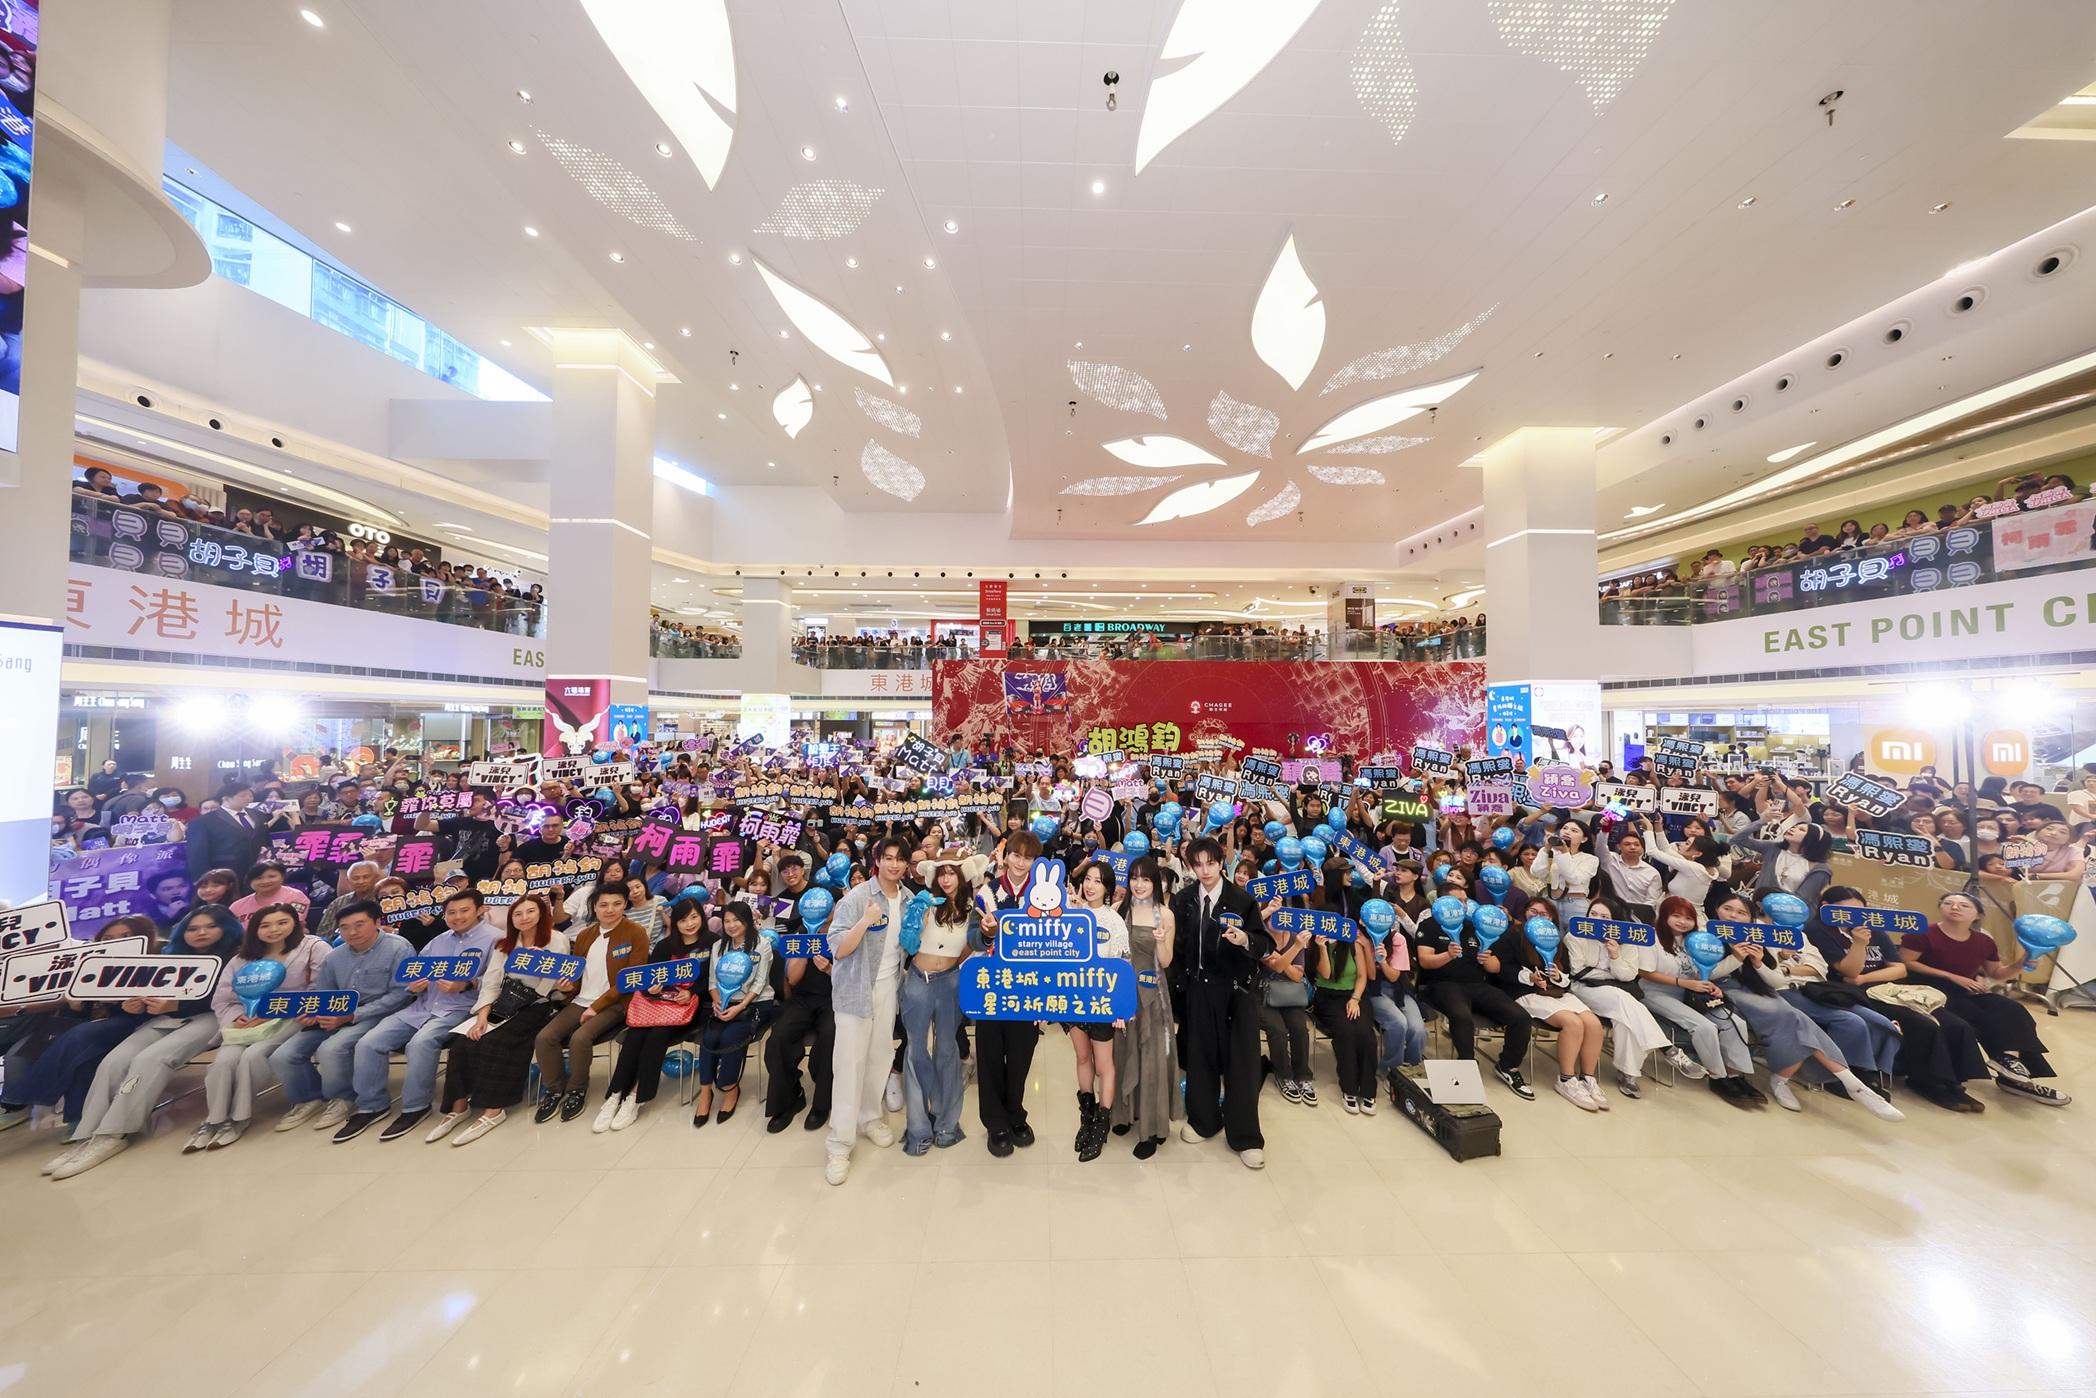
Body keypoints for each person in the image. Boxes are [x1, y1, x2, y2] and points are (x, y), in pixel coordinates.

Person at [37, 909, 244, 1179]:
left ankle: (113, 1133)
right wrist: (135, 1005)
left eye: (210, 926)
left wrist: (177, 1004)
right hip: (165, 1018)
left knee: (151, 1060)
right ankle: (87, 1135)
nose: (201, 933)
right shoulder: (169, 956)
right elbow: (148, 996)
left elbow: (232, 997)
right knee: (114, 1061)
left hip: (212, 1017)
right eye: (193, 928)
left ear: (226, 928)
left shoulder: (238, 957)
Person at [1703, 892, 1902, 1120]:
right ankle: (1847, 1084)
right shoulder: (1706, 934)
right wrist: (1736, 958)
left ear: (1750, 918)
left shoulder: (1759, 937)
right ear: (1717, 909)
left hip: (1762, 991)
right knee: (1793, 1017)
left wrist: (1758, 962)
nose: (1733, 916)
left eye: (1741, 912)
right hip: (1726, 990)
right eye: (1728, 909)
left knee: (1798, 1021)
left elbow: (1776, 980)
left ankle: (1848, 1085)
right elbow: (1707, 973)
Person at [335, 887, 501, 1143]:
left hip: (459, 1008)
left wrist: (468, 984)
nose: (457, 917)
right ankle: (372, 1106)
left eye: (464, 910)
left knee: (420, 1043)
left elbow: (498, 981)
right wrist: (413, 986)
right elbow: (413, 973)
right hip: (421, 1006)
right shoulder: (438, 940)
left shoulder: (495, 938)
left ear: (480, 910)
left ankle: (416, 1106)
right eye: (451, 912)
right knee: (368, 1042)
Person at [1809, 888, 1986, 1113]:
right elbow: (1849, 971)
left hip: (1889, 989)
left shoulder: (1872, 927)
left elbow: (1899, 969)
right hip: (1854, 993)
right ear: (1826, 907)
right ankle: (1928, 1081)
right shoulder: (1818, 930)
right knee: (1922, 1025)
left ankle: (1954, 1083)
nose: (1855, 916)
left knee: (1955, 1024)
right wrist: (1859, 945)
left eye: (1860, 911)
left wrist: (1865, 977)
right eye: (1848, 910)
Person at [1899, 891, 2069, 1106]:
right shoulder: (1922, 933)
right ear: (1941, 908)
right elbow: (1906, 962)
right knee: (1964, 1019)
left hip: (1963, 991)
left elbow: (1997, 973)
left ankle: (2010, 1064)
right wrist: (1952, 976)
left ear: (1977, 915)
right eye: (1948, 903)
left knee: (2010, 1009)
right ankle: (1945, 1081)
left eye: (1964, 905)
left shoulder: (1984, 941)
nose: (1955, 907)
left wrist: (2021, 962)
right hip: (1925, 991)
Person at [430, 892, 571, 1146]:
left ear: (542, 914)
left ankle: (494, 1109)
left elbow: (550, 987)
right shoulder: (505, 944)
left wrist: (540, 962)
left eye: (530, 911)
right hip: (505, 1002)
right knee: (463, 1043)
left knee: (497, 1042)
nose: (524, 917)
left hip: (538, 1005)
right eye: (518, 913)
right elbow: (492, 982)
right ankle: (459, 1107)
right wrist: (482, 1016)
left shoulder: (556, 939)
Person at [188, 903, 332, 1151]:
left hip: (292, 1018)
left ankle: (238, 1118)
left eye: (282, 922)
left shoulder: (313, 947)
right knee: (223, 1062)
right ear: (254, 929)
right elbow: (223, 999)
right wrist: (237, 1017)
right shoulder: (242, 958)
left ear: (295, 923)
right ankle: (214, 1120)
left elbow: (322, 987)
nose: (274, 930)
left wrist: (275, 1011)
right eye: (265, 925)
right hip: (247, 1023)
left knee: (252, 1056)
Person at [1168, 835, 1273, 1168]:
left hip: (1235, 992)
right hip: (1198, 990)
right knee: (1200, 1058)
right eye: (1198, 864)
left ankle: (1245, 1135)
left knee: (1241, 1063)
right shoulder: (1184, 899)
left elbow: (1264, 943)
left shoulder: (1241, 900)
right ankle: (1203, 1120)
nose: (1205, 871)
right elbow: (1178, 948)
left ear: (1221, 861)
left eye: (1210, 863)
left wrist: (1245, 940)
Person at [267, 900, 415, 1133]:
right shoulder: (335, 956)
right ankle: (309, 1098)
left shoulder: (399, 948)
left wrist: (352, 1015)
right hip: (338, 1013)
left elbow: (401, 995)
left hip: (380, 1013)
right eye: (345, 927)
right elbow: (324, 994)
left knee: (332, 1049)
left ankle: (344, 1097)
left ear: (377, 922)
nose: (352, 932)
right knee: (283, 1055)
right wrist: (315, 1012)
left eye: (359, 925)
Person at [824, 835, 914, 1184]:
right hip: (855, 991)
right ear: (877, 860)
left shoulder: (908, 899)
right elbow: (837, 948)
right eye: (888, 857)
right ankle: (839, 1144)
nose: (894, 864)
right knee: (849, 1065)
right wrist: (864, 921)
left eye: (900, 859)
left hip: (889, 988)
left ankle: (869, 1118)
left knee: (879, 1057)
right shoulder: (858, 897)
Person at [531, 882, 649, 1124]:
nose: (610, 909)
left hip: (616, 1003)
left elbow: (630, 980)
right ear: (594, 907)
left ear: (625, 905)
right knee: (544, 1038)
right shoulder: (585, 935)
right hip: (581, 1001)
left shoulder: (636, 933)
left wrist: (596, 1007)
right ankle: (554, 1089)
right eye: (603, 905)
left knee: (580, 1038)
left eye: (617, 904)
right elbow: (576, 976)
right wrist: (566, 988)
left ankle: (577, 1090)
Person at [596, 893, 711, 1135]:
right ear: (675, 923)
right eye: (683, 920)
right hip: (658, 1006)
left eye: (694, 917)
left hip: (692, 1008)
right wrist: (653, 988)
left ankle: (636, 1097)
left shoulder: (713, 942)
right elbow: (649, 979)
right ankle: (615, 1095)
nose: (689, 924)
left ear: (702, 917)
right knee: (635, 1036)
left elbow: (713, 978)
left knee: (657, 1036)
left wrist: (692, 993)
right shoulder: (665, 946)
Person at [1566, 894, 1700, 1097]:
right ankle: (1667, 1049)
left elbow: (1627, 975)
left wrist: (1615, 956)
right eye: (1593, 914)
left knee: (1626, 1020)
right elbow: (1579, 971)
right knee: (1625, 1002)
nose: (1598, 920)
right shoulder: (1575, 936)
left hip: (1618, 993)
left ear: (1615, 920)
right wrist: (1610, 973)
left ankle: (1629, 1075)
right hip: (1584, 989)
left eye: (1605, 917)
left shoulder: (1627, 939)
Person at [899, 849, 983, 1155]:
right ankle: (918, 1127)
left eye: (952, 873)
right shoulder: (924, 903)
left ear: (962, 876)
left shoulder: (972, 908)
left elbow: (975, 943)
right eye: (942, 873)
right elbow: (908, 944)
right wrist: (915, 919)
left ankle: (947, 1123)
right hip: (917, 982)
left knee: (947, 1052)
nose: (947, 879)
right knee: (915, 1052)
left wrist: (956, 965)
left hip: (950, 983)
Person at [1641, 897, 1762, 1105]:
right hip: (1656, 993)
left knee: (1735, 1022)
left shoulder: (1695, 940)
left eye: (1688, 918)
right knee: (1704, 1027)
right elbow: (1645, 972)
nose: (1682, 922)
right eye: (1676, 916)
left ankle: (1735, 1075)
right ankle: (1717, 1076)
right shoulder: (1652, 937)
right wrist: (1683, 983)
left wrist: (1710, 985)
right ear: (1664, 916)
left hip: (1691, 992)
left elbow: (1702, 971)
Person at [970, 830, 1045, 1158]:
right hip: (992, 985)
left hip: (1030, 988)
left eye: (1028, 858)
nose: (1021, 863)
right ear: (1005, 855)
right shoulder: (987, 893)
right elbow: (972, 938)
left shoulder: (1046, 894)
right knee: (989, 1054)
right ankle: (995, 1122)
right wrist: (986, 934)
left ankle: (1015, 1113)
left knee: (1021, 1055)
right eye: (1016, 855)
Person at [1415, 899, 1535, 1101]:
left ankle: (1507, 1066)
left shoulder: (1474, 925)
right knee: (1462, 1016)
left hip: (1478, 985)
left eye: (1464, 901)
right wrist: (1448, 955)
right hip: (1443, 984)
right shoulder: (1430, 925)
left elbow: (1495, 967)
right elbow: (1425, 961)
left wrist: (1488, 960)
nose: (1462, 904)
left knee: (1521, 1017)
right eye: (1457, 900)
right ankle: (1467, 1065)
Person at [1492, 914, 1611, 1110]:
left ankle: (1588, 1078)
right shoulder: (1514, 936)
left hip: (1557, 993)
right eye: (1533, 911)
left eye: (1544, 913)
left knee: (1593, 1024)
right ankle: (1566, 1079)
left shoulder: (1556, 939)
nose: (1539, 916)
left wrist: (1558, 976)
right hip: (1527, 992)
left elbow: (1567, 976)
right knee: (1573, 1023)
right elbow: (1502, 969)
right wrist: (1529, 977)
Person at [1109, 855, 1179, 1159]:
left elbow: (1166, 961)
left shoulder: (1165, 915)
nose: (1139, 885)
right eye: (1134, 878)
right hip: (1122, 994)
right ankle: (1125, 1113)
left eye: (1146, 879)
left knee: (1151, 1057)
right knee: (1122, 1052)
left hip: (1152, 996)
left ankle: (1151, 1127)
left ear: (1155, 883)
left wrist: (1161, 940)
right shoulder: (1118, 910)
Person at [764, 857, 835, 1135]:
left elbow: (849, 978)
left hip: (833, 999)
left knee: (830, 1037)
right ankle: (790, 1097)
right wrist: (803, 955)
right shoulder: (800, 932)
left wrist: (828, 968)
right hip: (802, 998)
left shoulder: (841, 932)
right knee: (778, 1039)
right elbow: (792, 980)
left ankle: (822, 1103)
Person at [690, 901, 776, 1127]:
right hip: (724, 1003)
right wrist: (718, 1002)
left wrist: (740, 1006)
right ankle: (706, 1091)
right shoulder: (719, 946)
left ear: (747, 921)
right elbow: (712, 982)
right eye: (727, 921)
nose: (731, 925)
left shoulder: (762, 945)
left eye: (736, 920)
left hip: (755, 1004)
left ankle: (729, 1088)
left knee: (729, 1037)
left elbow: (759, 983)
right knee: (708, 1038)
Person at [1067, 858, 1129, 1160]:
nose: (1090, 886)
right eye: (1088, 879)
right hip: (1073, 1001)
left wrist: (1120, 1008)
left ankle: (1102, 1126)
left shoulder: (1114, 921)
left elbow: (1123, 966)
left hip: (1103, 1003)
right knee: (1082, 1057)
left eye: (1098, 881)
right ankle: (1086, 1117)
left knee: (1104, 1065)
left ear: (1108, 888)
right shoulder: (1071, 915)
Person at [1308, 918, 1378, 1115]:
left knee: (1365, 1034)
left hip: (1355, 995)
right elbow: (1326, 974)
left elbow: (1363, 976)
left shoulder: (1353, 944)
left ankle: (1368, 1091)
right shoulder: (1315, 944)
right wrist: (1322, 948)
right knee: (1345, 1033)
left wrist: (1355, 998)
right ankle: (1349, 1089)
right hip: (1328, 998)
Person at [184, 782, 265, 883]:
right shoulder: (203, 821)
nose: (248, 798)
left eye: (250, 795)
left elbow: (264, 841)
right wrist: (202, 879)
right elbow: (197, 854)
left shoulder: (258, 815)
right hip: (225, 872)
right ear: (226, 799)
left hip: (258, 870)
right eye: (243, 796)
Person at [229, 860, 311, 922]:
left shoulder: (296, 897)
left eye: (272, 876)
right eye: (258, 878)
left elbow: (294, 923)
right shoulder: (237, 906)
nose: (265, 881)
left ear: (282, 877)